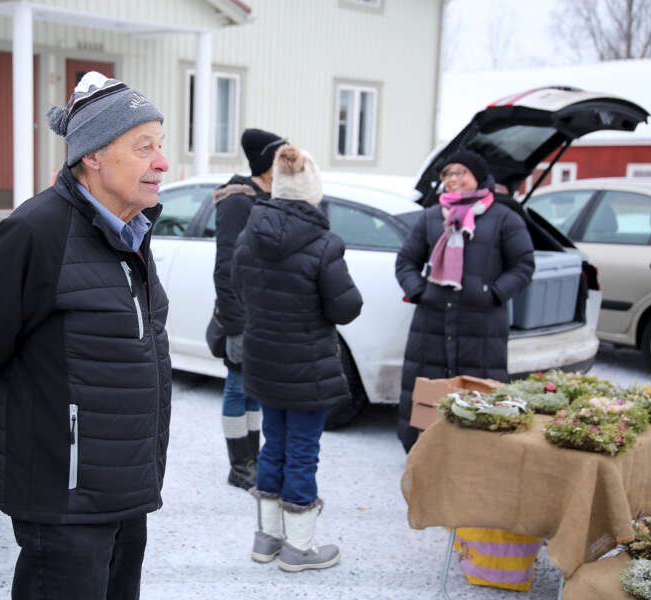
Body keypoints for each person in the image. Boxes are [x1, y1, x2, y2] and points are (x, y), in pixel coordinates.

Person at [0, 71, 171, 600]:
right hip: (62, 493)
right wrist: (9, 445)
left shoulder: (133, 231)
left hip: (126, 487)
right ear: (93, 155)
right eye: (144, 148)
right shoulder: (36, 232)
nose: (161, 162)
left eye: (161, 146)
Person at [232, 145, 363, 571]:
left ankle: (266, 540)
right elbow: (346, 307)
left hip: (264, 360)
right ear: (312, 193)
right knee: (303, 451)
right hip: (307, 366)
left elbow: (240, 291)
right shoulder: (324, 244)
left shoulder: (249, 236)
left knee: (273, 446)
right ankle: (299, 548)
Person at [395, 149, 535, 452]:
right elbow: (406, 261)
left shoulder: (503, 218)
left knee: (478, 393)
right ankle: (423, 451)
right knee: (427, 392)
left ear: (478, 177)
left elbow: (523, 266)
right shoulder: (431, 217)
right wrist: (419, 290)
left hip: (482, 323)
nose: (454, 179)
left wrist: (493, 293)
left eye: (461, 172)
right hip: (431, 321)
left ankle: (473, 456)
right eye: (448, 174)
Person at [206, 128, 287, 490]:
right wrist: (236, 324)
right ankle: (239, 465)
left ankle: (253, 457)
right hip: (243, 314)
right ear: (267, 163)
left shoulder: (272, 197)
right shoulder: (239, 200)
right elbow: (226, 267)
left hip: (268, 314)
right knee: (239, 386)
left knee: (255, 388)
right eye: (282, 157)